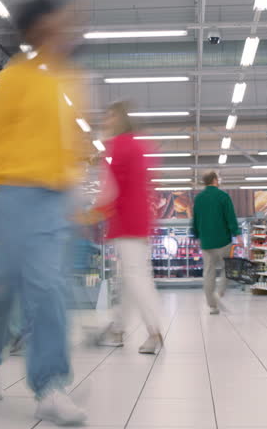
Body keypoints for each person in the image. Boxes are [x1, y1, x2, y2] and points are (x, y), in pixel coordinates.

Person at [0, 0, 88, 426]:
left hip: (54, 200)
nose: (70, 30)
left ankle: (50, 386)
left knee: (48, 288)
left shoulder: (65, 80)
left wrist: (74, 194)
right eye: (62, 22)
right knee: (7, 290)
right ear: (38, 27)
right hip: (13, 196)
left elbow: (69, 147)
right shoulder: (12, 80)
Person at [92, 101, 163, 354]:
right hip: (139, 221)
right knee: (130, 278)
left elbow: (110, 187)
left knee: (136, 277)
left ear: (119, 119)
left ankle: (154, 332)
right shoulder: (138, 144)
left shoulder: (118, 146)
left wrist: (91, 213)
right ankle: (118, 330)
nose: (105, 121)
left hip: (126, 223)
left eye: (109, 117)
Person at [191, 171, 240, 315]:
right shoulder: (223, 196)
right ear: (214, 180)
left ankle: (212, 306)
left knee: (208, 273)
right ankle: (219, 293)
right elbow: (230, 217)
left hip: (206, 242)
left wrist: (196, 236)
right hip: (223, 240)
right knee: (228, 268)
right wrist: (237, 234)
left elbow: (195, 220)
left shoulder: (199, 198)